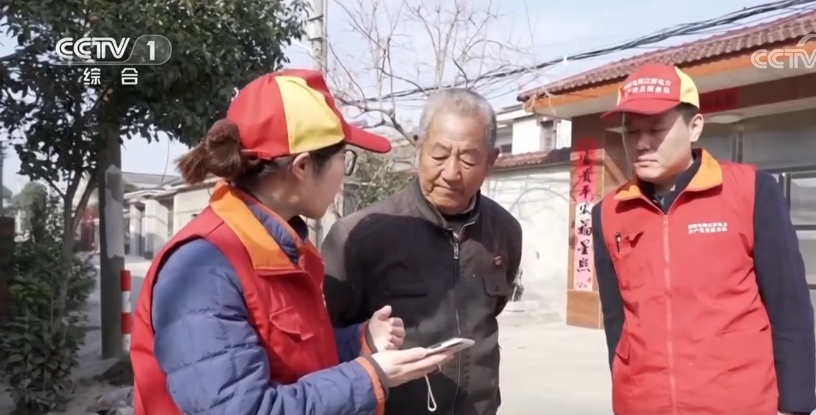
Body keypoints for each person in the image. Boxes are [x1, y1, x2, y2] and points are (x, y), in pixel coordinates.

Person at [129, 69, 453, 415]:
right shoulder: (204, 270)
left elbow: (293, 358)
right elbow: (244, 409)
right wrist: (369, 377)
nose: (343, 175)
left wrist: (362, 339)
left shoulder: (279, 249)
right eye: (344, 158)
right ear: (302, 167)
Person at [592, 63, 816, 415]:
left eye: (656, 129)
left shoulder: (751, 192)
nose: (642, 144)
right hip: (643, 403)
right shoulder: (609, 212)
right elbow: (615, 320)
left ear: (694, 126)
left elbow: (789, 305)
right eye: (630, 131)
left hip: (737, 402)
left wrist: (796, 403)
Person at [321, 88, 522, 415]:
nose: (451, 173)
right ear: (418, 147)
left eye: (469, 159)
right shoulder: (360, 235)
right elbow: (321, 342)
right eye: (439, 155)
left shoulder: (504, 231)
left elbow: (492, 311)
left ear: (491, 161)